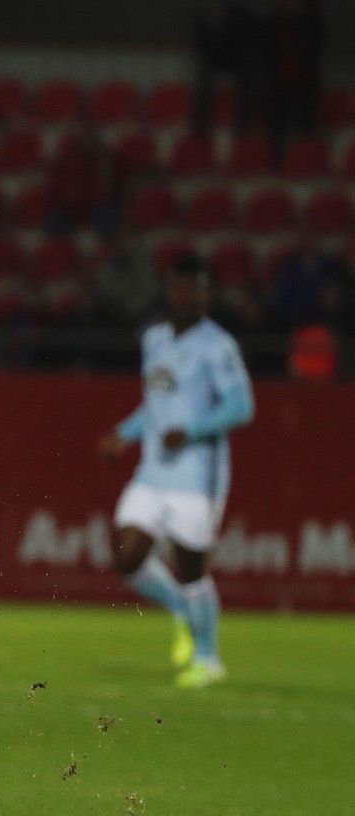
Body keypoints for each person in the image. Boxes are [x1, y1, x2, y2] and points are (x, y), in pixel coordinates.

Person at [99, 253, 254, 689]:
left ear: (207, 295)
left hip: (197, 475)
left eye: (199, 289)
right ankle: (184, 614)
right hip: (153, 472)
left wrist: (192, 430)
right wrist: (123, 434)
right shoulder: (155, 341)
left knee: (192, 569)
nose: (190, 296)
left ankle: (208, 657)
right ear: (171, 292)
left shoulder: (217, 346)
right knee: (127, 555)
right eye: (183, 287)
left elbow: (242, 407)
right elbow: (155, 407)